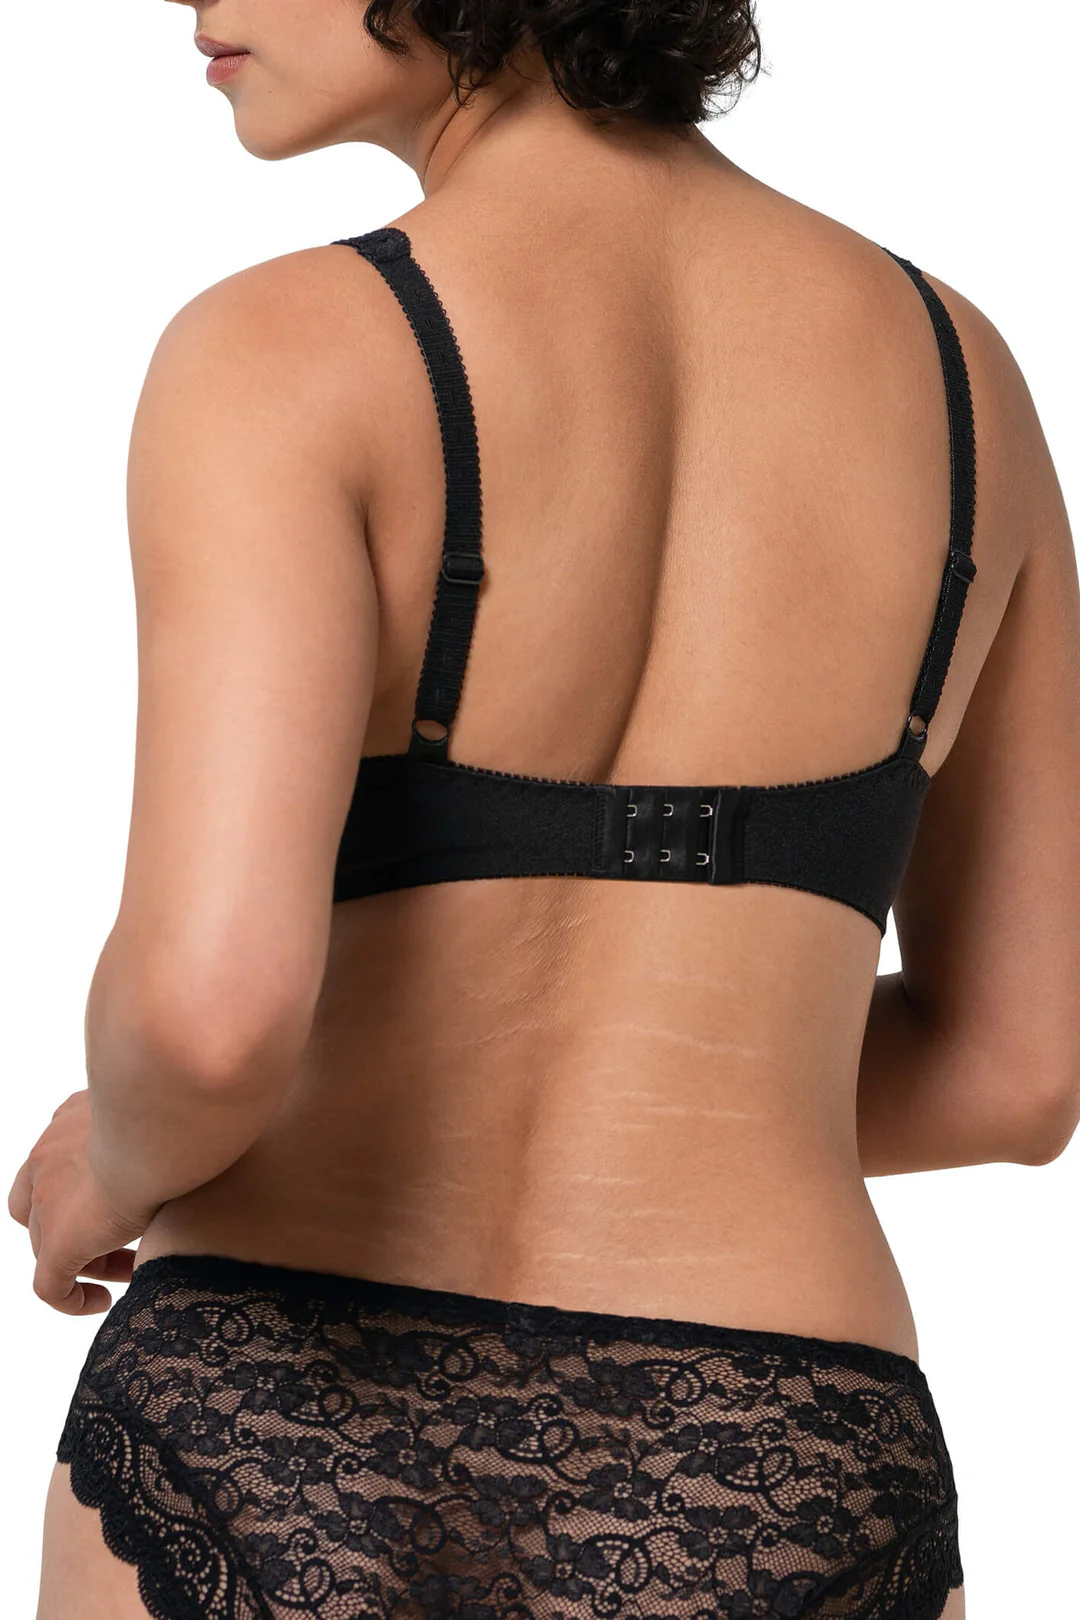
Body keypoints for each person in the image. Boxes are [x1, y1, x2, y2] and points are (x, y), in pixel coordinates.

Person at [10, 0, 1079, 1615]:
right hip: (782, 1450)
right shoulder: (966, 381)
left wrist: (113, 1158)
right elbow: (1019, 1071)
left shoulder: (285, 349)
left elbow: (210, 1022)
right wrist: (706, 1085)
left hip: (277, 1404)